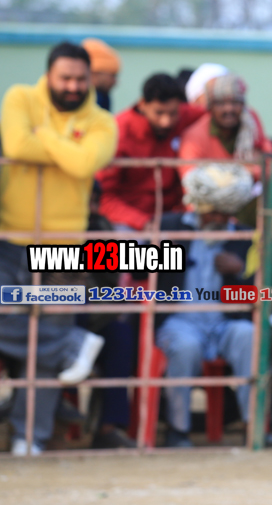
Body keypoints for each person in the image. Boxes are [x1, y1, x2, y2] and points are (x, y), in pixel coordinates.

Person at [0, 41, 116, 455]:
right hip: (11, 238)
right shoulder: (20, 98)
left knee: (44, 354)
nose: (73, 86)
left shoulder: (102, 121)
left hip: (65, 249)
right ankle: (71, 345)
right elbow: (16, 146)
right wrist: (67, 149)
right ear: (49, 75)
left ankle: (29, 436)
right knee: (43, 334)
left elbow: (86, 164)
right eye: (65, 78)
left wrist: (45, 136)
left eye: (81, 79)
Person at [155, 163, 257, 448]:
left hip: (224, 322)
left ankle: (253, 426)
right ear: (199, 205)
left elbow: (259, 290)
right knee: (185, 347)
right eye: (213, 211)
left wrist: (240, 271)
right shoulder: (169, 227)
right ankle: (177, 430)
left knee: (249, 335)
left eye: (225, 212)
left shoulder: (245, 236)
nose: (219, 218)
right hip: (179, 320)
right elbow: (139, 271)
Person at [178, 73, 272, 223]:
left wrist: (252, 172)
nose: (229, 109)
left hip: (243, 206)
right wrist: (243, 173)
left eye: (235, 102)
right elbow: (192, 185)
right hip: (210, 210)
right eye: (221, 103)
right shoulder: (194, 137)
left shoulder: (251, 127)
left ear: (243, 105)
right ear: (210, 106)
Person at [97, 73, 205, 230]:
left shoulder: (185, 115)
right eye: (159, 113)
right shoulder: (118, 133)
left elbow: (219, 116)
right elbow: (104, 197)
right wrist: (143, 222)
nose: (166, 121)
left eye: (173, 113)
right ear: (142, 104)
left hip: (174, 218)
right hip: (129, 222)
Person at [81, 38, 121, 112]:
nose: (115, 82)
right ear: (95, 72)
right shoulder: (78, 99)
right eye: (112, 75)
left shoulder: (103, 97)